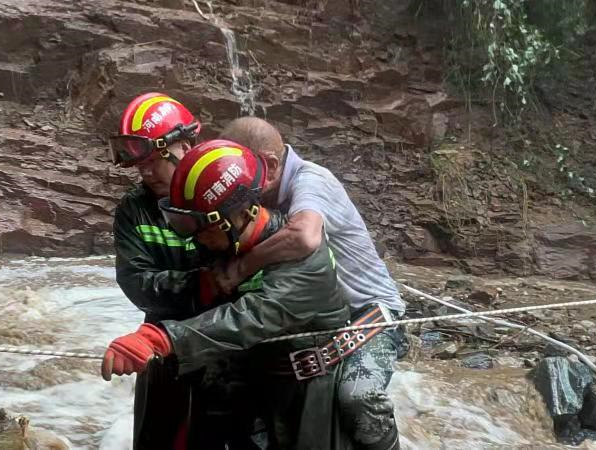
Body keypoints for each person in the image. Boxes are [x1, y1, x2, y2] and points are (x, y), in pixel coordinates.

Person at [102, 139, 355, 449]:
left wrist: (161, 338)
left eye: (198, 226)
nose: (193, 238)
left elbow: (250, 317)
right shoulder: (226, 245)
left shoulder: (305, 261)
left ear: (237, 216)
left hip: (307, 393)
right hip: (253, 386)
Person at [215, 117, 407, 450]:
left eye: (241, 176)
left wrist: (241, 267)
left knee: (357, 398)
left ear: (270, 165)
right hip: (315, 319)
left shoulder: (312, 180)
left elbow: (304, 237)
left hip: (372, 314)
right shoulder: (265, 193)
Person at [108, 92, 208, 448]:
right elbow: (137, 283)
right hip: (160, 341)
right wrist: (209, 284)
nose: (146, 172)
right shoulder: (134, 210)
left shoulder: (225, 195)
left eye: (155, 160)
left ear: (184, 145)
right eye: (140, 164)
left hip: (230, 338)